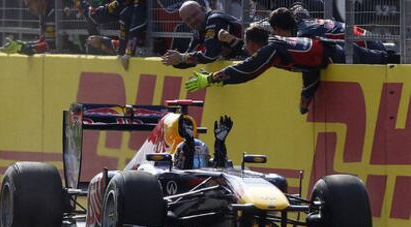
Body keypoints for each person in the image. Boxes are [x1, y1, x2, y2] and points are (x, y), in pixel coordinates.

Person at [185, 25, 388, 114]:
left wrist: (211, 79)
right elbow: (309, 66)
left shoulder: (272, 49)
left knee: (388, 59)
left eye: (248, 47)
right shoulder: (276, 46)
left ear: (256, 44)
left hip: (341, 55)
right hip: (331, 55)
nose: (248, 51)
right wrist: (306, 97)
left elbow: (247, 71)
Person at [161, 1, 243, 69]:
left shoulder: (214, 19)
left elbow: (210, 56)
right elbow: (190, 57)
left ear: (203, 9)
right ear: (186, 24)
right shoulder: (198, 31)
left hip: (249, 59)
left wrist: (182, 58)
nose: (193, 20)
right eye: (188, 20)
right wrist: (174, 59)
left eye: (194, 15)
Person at [75, 0, 147, 70]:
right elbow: (98, 15)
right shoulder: (121, 3)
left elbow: (136, 26)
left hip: (145, 46)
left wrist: (128, 53)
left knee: (125, 16)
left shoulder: (137, 6)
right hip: (130, 47)